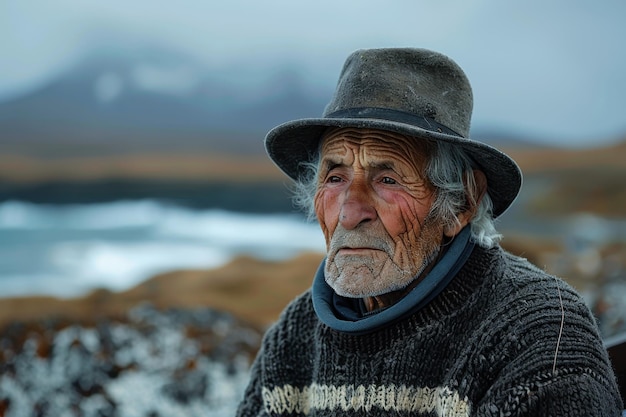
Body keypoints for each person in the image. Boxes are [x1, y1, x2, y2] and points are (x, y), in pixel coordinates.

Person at [236, 48, 623, 416]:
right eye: (335, 177)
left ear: (461, 204)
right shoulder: (297, 332)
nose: (350, 213)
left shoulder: (537, 333)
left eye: (387, 179)